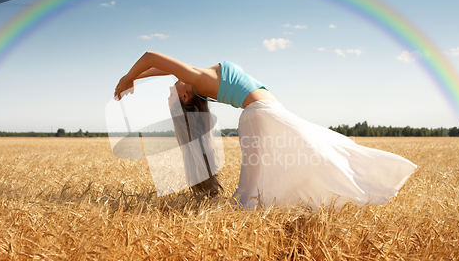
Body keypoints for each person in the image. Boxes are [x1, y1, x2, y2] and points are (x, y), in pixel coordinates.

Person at [114, 51, 417, 210]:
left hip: (266, 113)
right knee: (273, 178)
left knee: (318, 150)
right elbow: (153, 56)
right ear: (186, 96)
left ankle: (354, 186)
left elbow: (158, 64)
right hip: (261, 116)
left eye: (172, 83)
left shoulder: (198, 77)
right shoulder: (198, 78)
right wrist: (130, 77)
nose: (172, 82)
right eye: (173, 89)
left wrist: (133, 78)